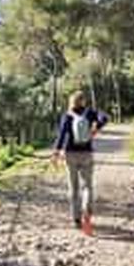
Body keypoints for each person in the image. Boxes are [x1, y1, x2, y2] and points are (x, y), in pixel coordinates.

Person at [51, 91, 107, 234]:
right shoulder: (89, 113)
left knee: (74, 188)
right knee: (87, 186)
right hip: (86, 153)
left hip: (70, 154)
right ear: (82, 101)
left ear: (71, 102)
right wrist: (96, 129)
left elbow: (61, 135)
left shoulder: (67, 116)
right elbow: (105, 117)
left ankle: (77, 219)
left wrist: (56, 152)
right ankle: (87, 212)